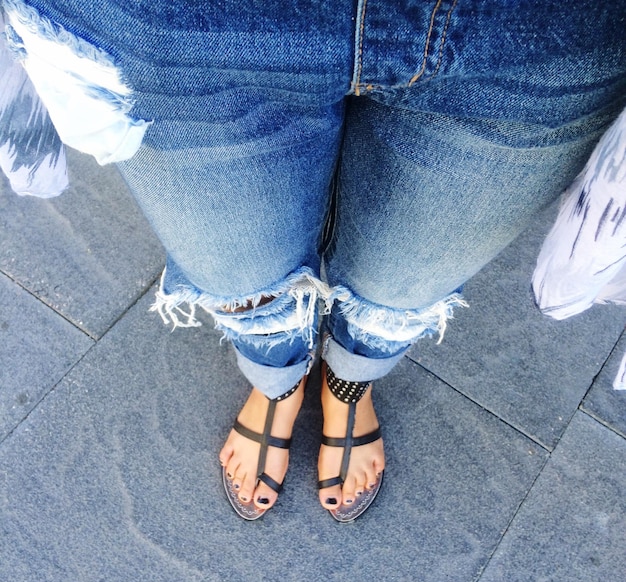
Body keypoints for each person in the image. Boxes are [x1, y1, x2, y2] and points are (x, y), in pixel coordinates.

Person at [1, 0, 625, 521]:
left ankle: (343, 381)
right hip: (173, 23)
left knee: (402, 286)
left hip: (541, 33)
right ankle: (282, 380)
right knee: (241, 277)